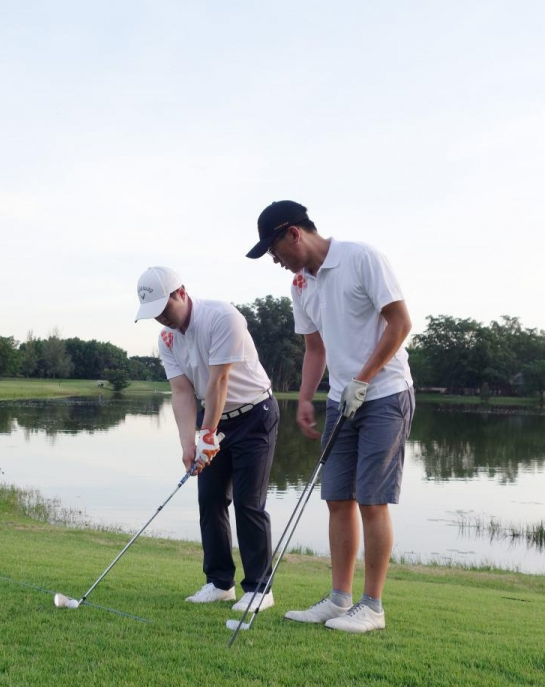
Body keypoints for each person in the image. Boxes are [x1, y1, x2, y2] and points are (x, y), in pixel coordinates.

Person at [246, 201, 414, 634]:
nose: (276, 261)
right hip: (342, 399)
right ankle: (339, 599)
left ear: (293, 234)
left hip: (385, 393)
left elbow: (399, 323)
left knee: (372, 501)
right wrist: (305, 399)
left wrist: (363, 378)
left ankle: (372, 607)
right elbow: (315, 349)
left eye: (274, 250)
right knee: (338, 498)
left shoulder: (361, 258)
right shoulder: (301, 287)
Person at [135, 266, 279, 613]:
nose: (162, 320)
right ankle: (219, 583)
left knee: (248, 503)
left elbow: (219, 383)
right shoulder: (167, 338)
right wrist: (189, 443)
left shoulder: (222, 317)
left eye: (164, 310)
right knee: (211, 501)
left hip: (254, 415)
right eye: (153, 315)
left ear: (181, 293)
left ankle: (260, 590)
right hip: (213, 418)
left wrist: (207, 436)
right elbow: (183, 391)